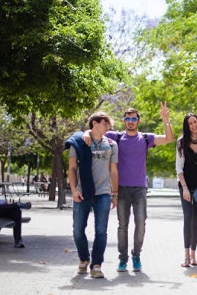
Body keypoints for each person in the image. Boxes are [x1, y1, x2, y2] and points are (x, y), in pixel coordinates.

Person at [84, 102, 174, 272]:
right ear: (124, 121)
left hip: (140, 188)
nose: (131, 121)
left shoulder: (146, 138)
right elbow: (95, 130)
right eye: (128, 118)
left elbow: (169, 139)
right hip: (122, 189)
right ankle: (123, 259)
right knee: (122, 225)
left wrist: (166, 121)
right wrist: (88, 133)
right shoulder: (115, 137)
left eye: (134, 118)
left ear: (138, 121)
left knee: (140, 223)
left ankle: (136, 255)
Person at [66, 111, 119, 279]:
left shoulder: (111, 144)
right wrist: (74, 189)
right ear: (94, 123)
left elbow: (113, 170)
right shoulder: (79, 142)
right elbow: (72, 168)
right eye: (105, 123)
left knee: (101, 231)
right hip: (82, 192)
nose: (108, 127)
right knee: (78, 231)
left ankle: (97, 265)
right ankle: (83, 258)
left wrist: (115, 193)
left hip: (103, 193)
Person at [175, 112, 197, 267]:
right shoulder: (181, 142)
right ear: (186, 126)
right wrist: (185, 189)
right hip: (186, 186)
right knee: (188, 217)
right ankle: (186, 256)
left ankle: (194, 255)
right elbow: (179, 167)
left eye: (195, 122)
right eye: (190, 123)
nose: (193, 125)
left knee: (195, 219)